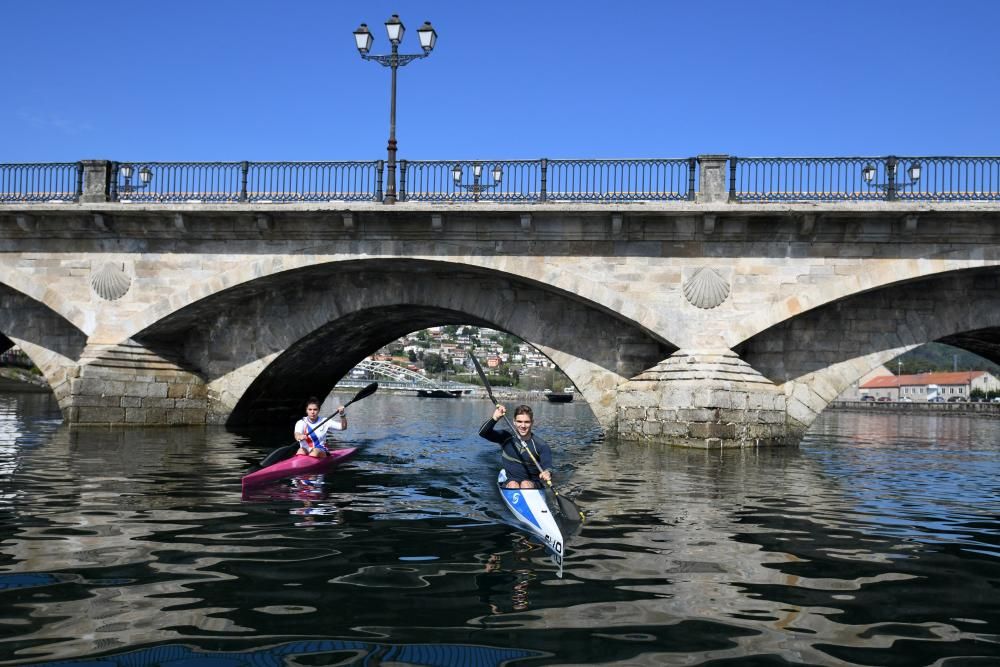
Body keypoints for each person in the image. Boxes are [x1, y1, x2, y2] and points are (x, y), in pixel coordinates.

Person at [479, 404, 552, 489]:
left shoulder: (541, 445)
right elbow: (483, 433)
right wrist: (495, 418)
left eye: (527, 422)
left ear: (532, 422)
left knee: (525, 484)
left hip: (533, 483)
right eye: (519, 421)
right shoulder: (506, 437)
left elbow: (547, 465)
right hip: (510, 481)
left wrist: (547, 472)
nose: (523, 426)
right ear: (514, 421)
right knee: (513, 484)